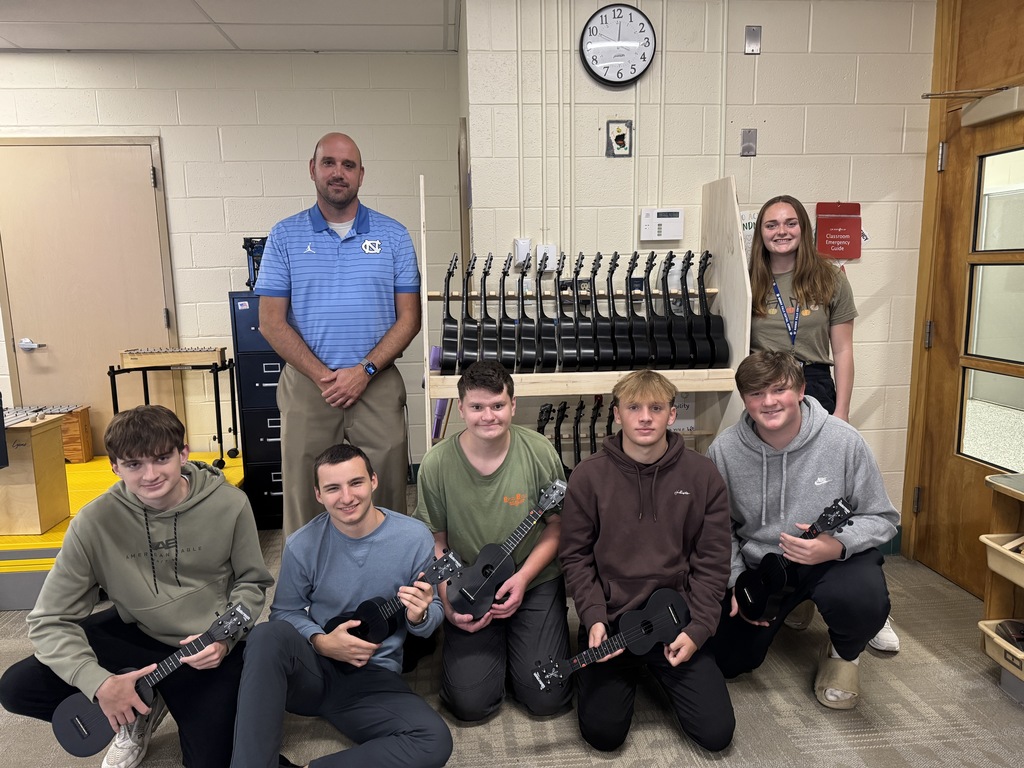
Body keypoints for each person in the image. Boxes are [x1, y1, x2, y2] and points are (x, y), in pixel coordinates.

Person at [0, 405, 273, 768]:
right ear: (114, 466)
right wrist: (99, 684)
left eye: (162, 458)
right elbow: (48, 619)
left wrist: (225, 640)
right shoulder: (94, 522)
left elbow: (252, 583)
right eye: (133, 464)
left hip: (204, 646)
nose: (151, 475)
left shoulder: (230, 503)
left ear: (184, 453)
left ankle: (152, 698)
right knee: (17, 688)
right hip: (135, 632)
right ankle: (136, 708)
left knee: (214, 761)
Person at [230, 443, 452, 768]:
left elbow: (431, 616)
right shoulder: (301, 543)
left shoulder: (414, 537)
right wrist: (322, 642)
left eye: (356, 483)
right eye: (333, 488)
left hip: (372, 677)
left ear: (373, 481)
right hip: (314, 670)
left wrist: (419, 615)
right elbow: (284, 613)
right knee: (266, 634)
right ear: (318, 494)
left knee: (434, 740)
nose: (346, 497)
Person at [706, 351, 900, 709]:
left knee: (862, 601)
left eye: (779, 390)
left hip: (831, 559)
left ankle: (844, 654)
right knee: (726, 659)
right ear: (744, 400)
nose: (768, 402)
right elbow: (719, 529)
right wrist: (734, 581)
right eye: (755, 394)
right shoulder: (724, 451)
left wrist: (835, 545)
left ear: (801, 390)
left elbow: (883, 517)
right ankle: (792, 604)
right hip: (762, 567)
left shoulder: (844, 441)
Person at [749, 195, 900, 652]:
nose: (781, 231)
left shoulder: (829, 278)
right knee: (780, 491)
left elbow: (844, 352)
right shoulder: (748, 279)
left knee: (837, 496)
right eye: (771, 224)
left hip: (814, 382)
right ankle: (796, 585)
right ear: (760, 233)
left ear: (804, 228)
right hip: (767, 388)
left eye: (790, 223)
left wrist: (843, 413)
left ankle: (869, 609)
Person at [559, 369, 735, 753]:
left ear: (672, 415)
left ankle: (659, 673)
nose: (645, 417)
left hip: (676, 619)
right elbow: (575, 557)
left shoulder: (702, 475)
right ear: (617, 414)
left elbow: (714, 562)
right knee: (603, 736)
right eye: (634, 407)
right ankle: (616, 670)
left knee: (716, 734)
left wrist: (700, 628)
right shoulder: (588, 477)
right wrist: (593, 618)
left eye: (656, 408)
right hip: (613, 624)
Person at [256, 131, 421, 536]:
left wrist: (362, 371)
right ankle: (308, 591)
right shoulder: (284, 236)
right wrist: (322, 376)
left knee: (387, 491)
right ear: (313, 170)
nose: (338, 172)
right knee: (304, 494)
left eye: (348, 165)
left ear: (361, 175)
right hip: (310, 387)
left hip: (376, 383)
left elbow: (410, 319)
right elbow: (271, 322)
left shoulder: (394, 236)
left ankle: (390, 586)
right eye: (329, 163)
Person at [413, 360, 571, 721]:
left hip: (533, 580)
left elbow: (557, 525)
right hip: (469, 584)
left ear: (513, 406)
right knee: (469, 705)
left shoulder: (539, 451)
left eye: (498, 406)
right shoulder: (436, 464)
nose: (488, 416)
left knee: (546, 697)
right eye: (477, 407)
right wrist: (447, 604)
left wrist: (524, 578)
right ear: (461, 408)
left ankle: (521, 647)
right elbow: (435, 541)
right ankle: (492, 653)